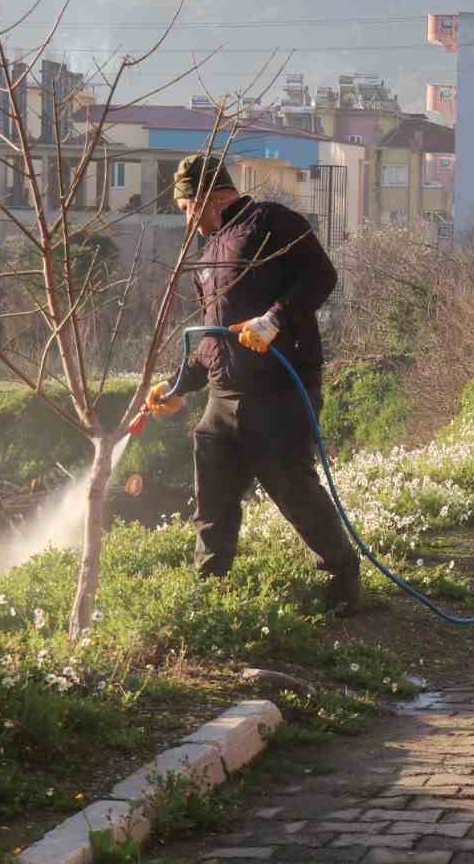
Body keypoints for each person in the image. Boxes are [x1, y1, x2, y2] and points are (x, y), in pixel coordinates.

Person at [143, 154, 362, 615]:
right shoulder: (207, 254)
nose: (185, 219)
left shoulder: (272, 222)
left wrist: (273, 321)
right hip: (223, 397)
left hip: (280, 389)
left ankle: (342, 580)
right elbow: (211, 341)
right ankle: (210, 592)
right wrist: (178, 386)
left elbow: (323, 276)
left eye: (185, 207)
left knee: (291, 487)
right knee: (213, 501)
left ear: (205, 197)